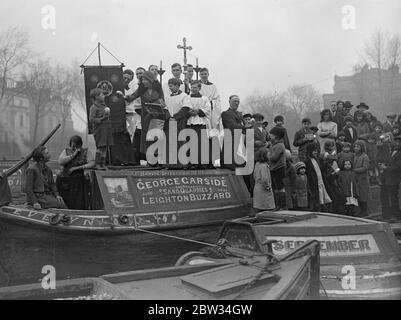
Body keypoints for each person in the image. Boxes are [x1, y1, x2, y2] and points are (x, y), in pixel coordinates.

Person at [123, 71, 168, 162]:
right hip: (146, 117)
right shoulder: (141, 88)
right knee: (147, 137)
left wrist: (155, 105)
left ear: (150, 80)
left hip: (157, 116)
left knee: (156, 136)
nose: (143, 81)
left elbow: (162, 101)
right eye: (142, 79)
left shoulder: (158, 88)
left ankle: (158, 158)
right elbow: (132, 97)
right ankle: (151, 159)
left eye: (145, 79)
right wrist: (123, 96)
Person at [56, 135, 96, 209]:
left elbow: (92, 163)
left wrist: (77, 168)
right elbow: (60, 161)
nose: (74, 148)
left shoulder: (85, 151)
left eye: (76, 146)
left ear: (80, 145)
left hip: (79, 179)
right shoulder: (66, 151)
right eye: (72, 146)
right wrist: (73, 155)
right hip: (66, 179)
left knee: (78, 201)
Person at [221, 95, 250, 170]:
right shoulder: (225, 113)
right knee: (231, 166)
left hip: (241, 142)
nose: (236, 103)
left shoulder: (240, 114)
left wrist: (249, 126)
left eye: (238, 101)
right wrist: (244, 127)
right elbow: (231, 126)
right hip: (231, 140)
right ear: (229, 102)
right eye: (234, 101)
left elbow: (245, 126)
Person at [187, 80, 211, 168]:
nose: (193, 89)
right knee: (191, 143)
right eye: (192, 87)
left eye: (195, 87)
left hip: (201, 122)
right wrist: (189, 111)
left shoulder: (205, 98)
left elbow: (208, 110)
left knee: (202, 143)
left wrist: (198, 111)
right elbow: (185, 107)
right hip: (190, 122)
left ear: (199, 88)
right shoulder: (187, 97)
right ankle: (193, 163)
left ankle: (202, 163)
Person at [89, 88, 114, 169]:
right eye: (102, 95)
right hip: (99, 130)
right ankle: (97, 163)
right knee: (100, 147)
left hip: (106, 129)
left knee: (105, 147)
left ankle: (103, 163)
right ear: (96, 97)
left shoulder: (104, 105)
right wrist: (102, 118)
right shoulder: (93, 107)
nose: (103, 96)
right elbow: (91, 119)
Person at [378, 135, 401, 221]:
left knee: (393, 197)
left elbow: (398, 167)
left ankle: (395, 216)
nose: (397, 143)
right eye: (396, 141)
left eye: (399, 142)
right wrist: (383, 166)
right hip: (387, 178)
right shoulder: (392, 151)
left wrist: (385, 168)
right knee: (385, 197)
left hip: (394, 179)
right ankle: (386, 215)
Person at [305, 143, 332, 212]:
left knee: (322, 197)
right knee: (317, 198)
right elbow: (310, 174)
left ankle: (322, 209)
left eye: (316, 151)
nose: (316, 152)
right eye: (314, 151)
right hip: (314, 183)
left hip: (320, 182)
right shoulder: (308, 161)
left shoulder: (317, 160)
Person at [268, 126, 287, 210]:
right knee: (275, 188)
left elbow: (274, 157)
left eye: (271, 135)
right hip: (274, 169)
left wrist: (267, 155)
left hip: (279, 169)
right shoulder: (274, 145)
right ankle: (277, 205)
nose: (270, 136)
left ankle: (283, 205)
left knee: (280, 187)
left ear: (276, 136)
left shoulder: (279, 145)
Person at [252, 148, 275, 212]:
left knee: (259, 208)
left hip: (257, 188)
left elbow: (254, 176)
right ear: (264, 156)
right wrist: (268, 187)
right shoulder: (264, 166)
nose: (270, 155)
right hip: (264, 190)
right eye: (268, 154)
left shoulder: (257, 164)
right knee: (267, 209)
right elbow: (265, 179)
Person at [353, 140, 370, 217]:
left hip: (362, 179)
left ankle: (364, 211)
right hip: (355, 178)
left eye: (358, 147)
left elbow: (365, 167)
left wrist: (355, 170)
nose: (356, 148)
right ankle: (360, 210)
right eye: (355, 146)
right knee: (358, 195)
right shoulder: (354, 155)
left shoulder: (365, 156)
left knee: (363, 195)